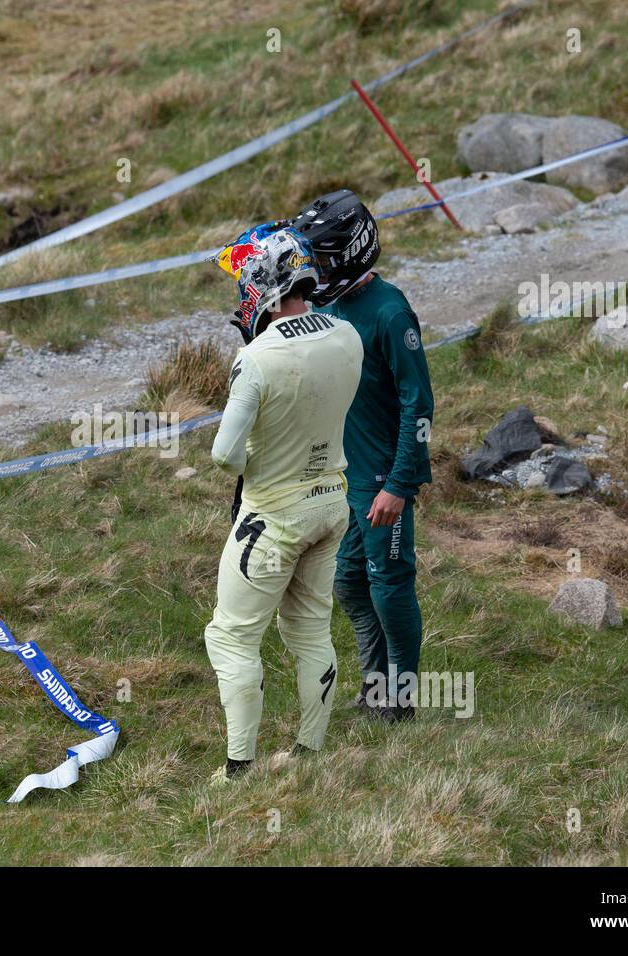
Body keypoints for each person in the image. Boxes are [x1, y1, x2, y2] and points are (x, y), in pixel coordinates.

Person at [203, 225, 363, 782]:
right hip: (332, 502)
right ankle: (309, 751)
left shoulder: (258, 357)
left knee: (231, 636)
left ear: (260, 286)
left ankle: (238, 769)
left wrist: (258, 456)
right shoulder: (347, 335)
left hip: (271, 516)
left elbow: (224, 456)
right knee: (310, 629)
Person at [291, 189, 434, 722]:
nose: (315, 266)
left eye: (323, 256)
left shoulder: (391, 313)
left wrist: (399, 484)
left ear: (352, 250)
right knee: (349, 580)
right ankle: (376, 688)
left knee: (389, 580)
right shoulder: (326, 303)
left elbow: (418, 404)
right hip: (340, 477)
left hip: (380, 479)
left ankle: (400, 699)